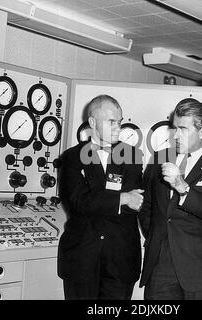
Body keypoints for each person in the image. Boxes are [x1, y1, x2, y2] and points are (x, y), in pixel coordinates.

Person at [139, 98, 202, 300]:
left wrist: (182, 187)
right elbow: (147, 206)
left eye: (183, 129)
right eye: (174, 128)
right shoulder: (159, 158)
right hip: (161, 265)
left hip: (200, 270)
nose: (176, 135)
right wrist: (156, 238)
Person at [57, 94, 144, 299]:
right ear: (93, 122)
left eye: (120, 121)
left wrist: (99, 200)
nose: (118, 127)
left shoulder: (132, 155)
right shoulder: (71, 157)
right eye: (111, 121)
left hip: (120, 259)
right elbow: (78, 202)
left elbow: (135, 202)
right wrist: (121, 198)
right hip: (82, 259)